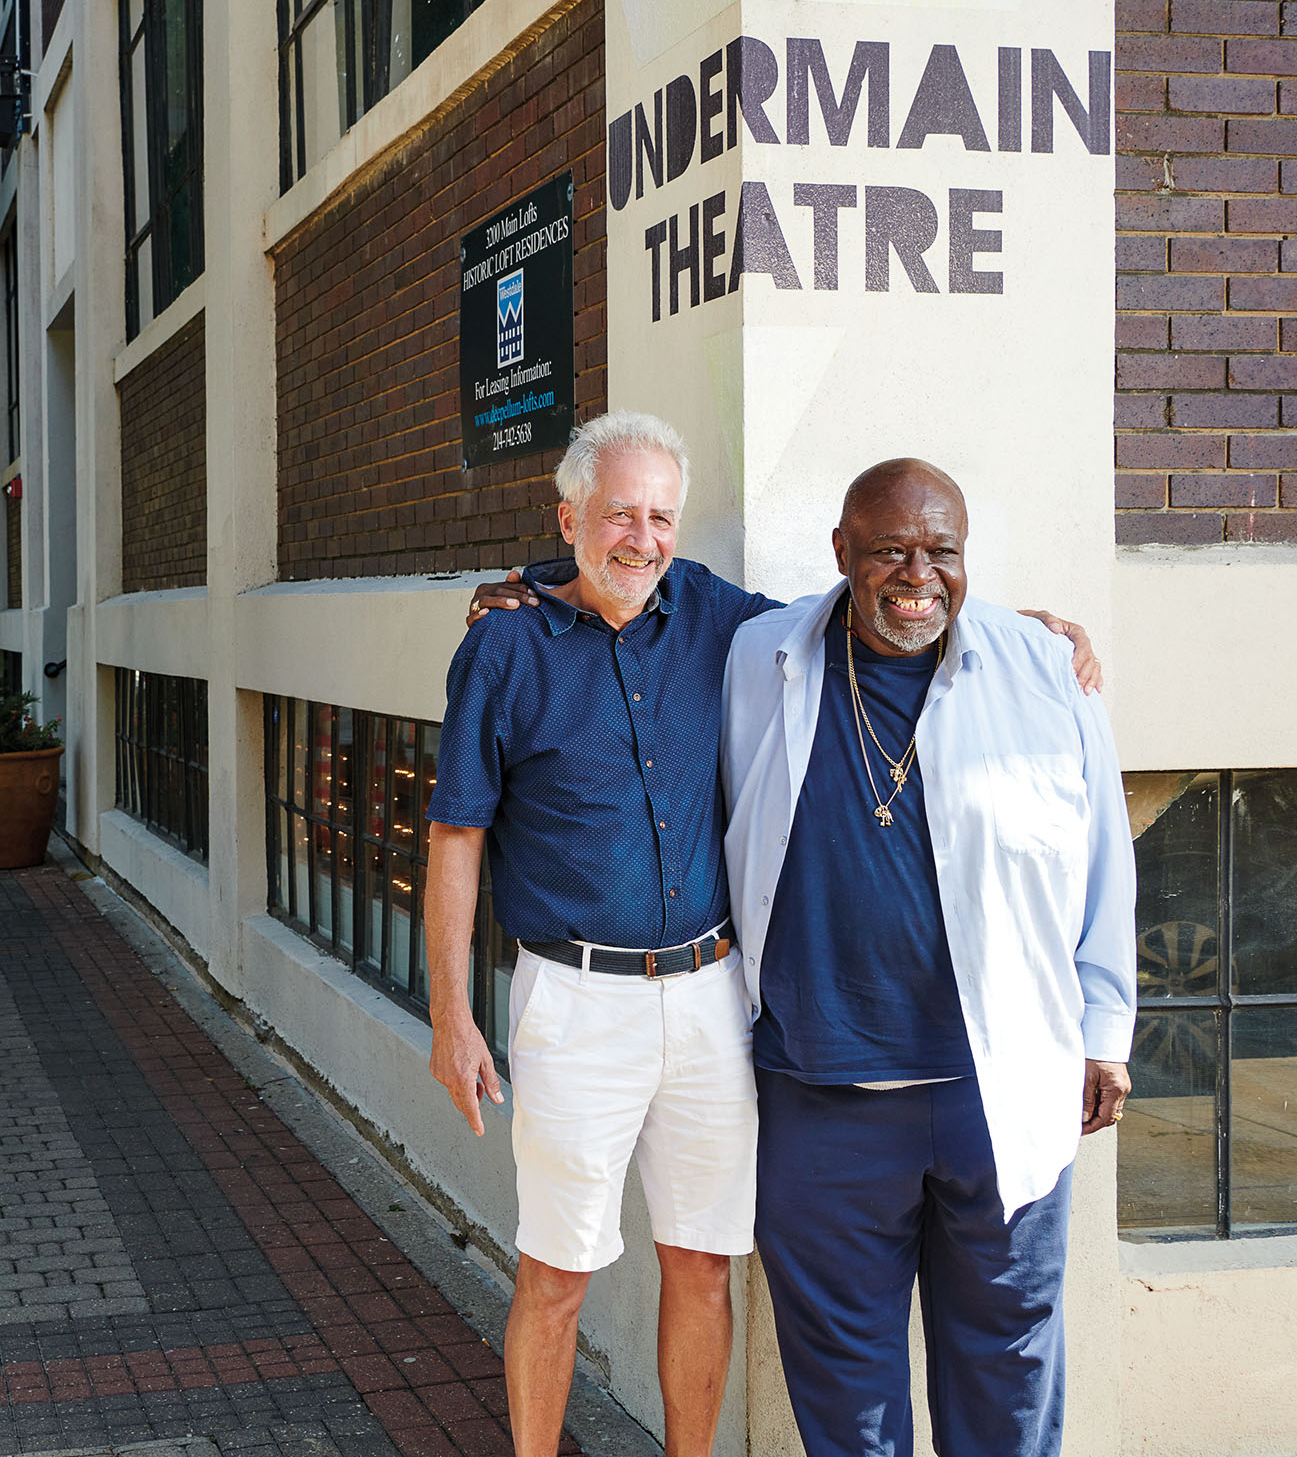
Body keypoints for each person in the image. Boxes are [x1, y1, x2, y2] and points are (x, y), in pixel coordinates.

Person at [718, 458, 1134, 1457]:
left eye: (941, 551)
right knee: (846, 1396)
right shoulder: (758, 654)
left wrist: (1104, 1028)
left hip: (1003, 1092)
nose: (918, 574)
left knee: (1009, 1369)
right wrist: (529, 590)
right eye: (891, 551)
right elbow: (630, 583)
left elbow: (1102, 860)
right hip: (821, 1098)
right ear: (841, 554)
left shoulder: (1040, 667)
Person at [425, 411, 770, 1457]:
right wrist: (452, 1014)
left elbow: (855, 627)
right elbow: (455, 839)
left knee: (703, 1261)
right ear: (570, 515)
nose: (644, 536)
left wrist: (1002, 627)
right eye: (620, 512)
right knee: (557, 1271)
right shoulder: (503, 645)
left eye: (662, 515)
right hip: (574, 1001)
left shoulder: (712, 613)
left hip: (712, 995)